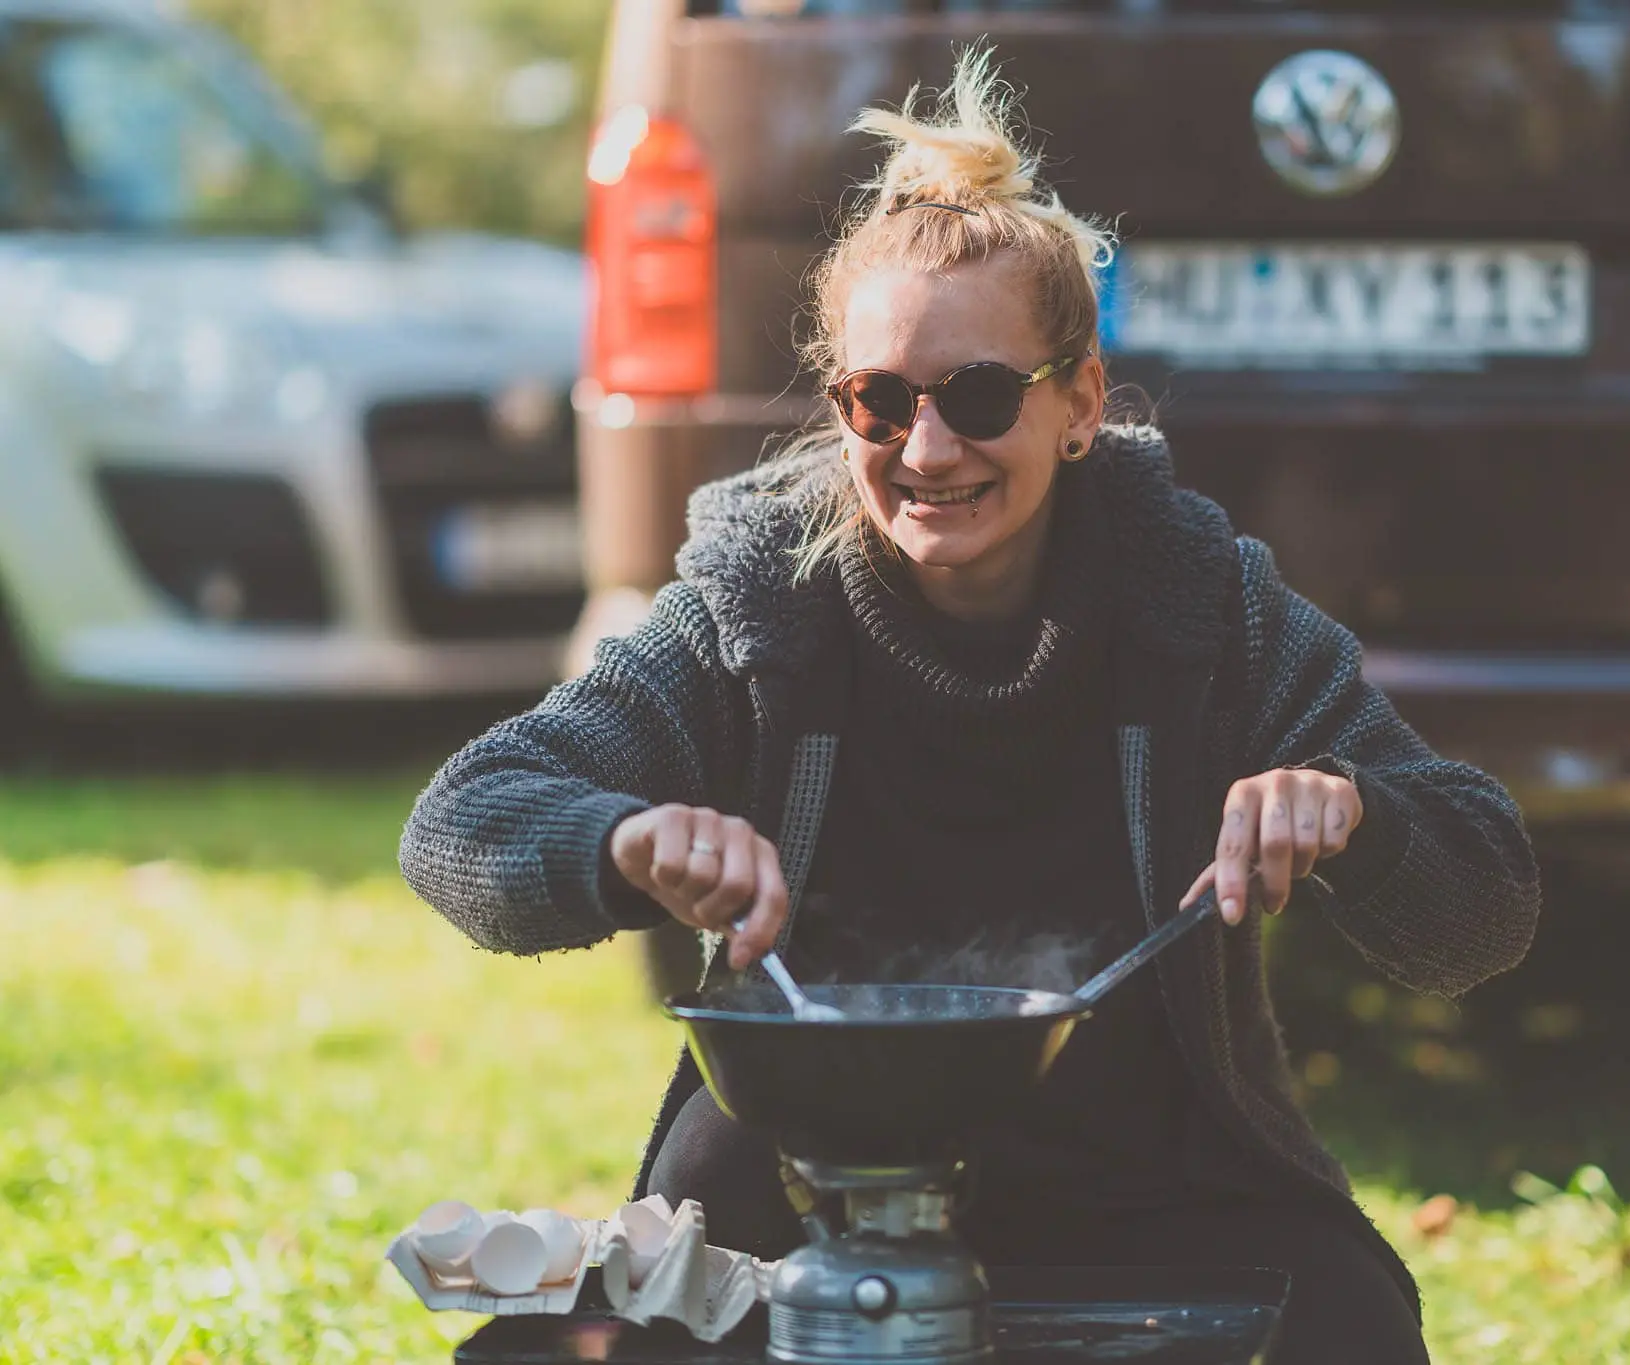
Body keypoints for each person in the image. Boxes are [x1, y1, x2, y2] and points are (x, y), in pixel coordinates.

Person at [401, 47, 1540, 1364]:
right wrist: (622, 842)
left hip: (1149, 1189)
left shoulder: (1202, 603)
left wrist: (1356, 817)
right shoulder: (755, 600)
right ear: (840, 411)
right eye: (880, 403)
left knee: (1351, 1326)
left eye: (982, 396)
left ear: (1081, 403)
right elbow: (462, 823)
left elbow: (1488, 902)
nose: (927, 451)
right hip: (797, 1202)